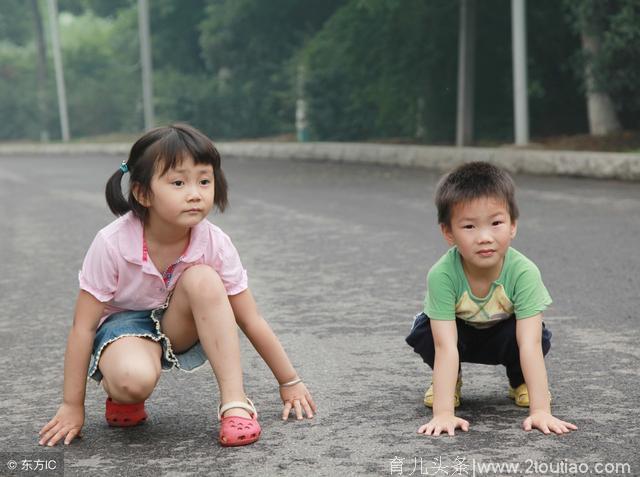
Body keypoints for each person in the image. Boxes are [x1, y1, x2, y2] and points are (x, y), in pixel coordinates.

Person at [38, 124, 316, 447]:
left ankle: (235, 404)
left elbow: (250, 318)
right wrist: (73, 406)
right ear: (143, 193)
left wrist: (289, 380)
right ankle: (125, 397)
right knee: (132, 379)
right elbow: (82, 328)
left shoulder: (215, 242)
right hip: (123, 331)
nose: (195, 193)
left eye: (204, 181)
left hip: (176, 323)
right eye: (178, 182)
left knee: (204, 279)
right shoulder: (112, 243)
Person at [406, 161, 577, 437]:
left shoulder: (523, 271)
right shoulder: (442, 274)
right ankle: (449, 382)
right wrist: (444, 413)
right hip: (459, 338)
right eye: (470, 226)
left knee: (538, 335)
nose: (484, 237)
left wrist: (541, 410)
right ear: (448, 233)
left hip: (504, 338)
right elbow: (445, 344)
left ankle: (519, 380)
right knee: (425, 331)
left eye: (496, 223)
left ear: (513, 226)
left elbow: (530, 342)